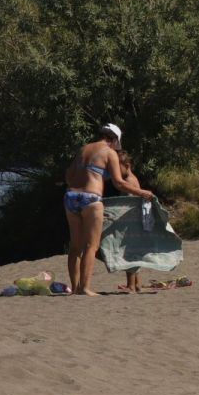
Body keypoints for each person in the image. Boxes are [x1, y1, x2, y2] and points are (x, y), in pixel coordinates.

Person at [64, 122, 152, 297]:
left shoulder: (83, 149)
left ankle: (74, 288)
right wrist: (142, 192)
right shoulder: (109, 152)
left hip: (70, 197)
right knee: (91, 245)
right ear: (115, 140)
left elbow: (68, 176)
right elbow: (119, 182)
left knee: (75, 246)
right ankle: (85, 288)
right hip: (91, 199)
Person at [116, 150, 146, 294]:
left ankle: (131, 286)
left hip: (131, 222)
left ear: (127, 165)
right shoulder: (133, 179)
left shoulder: (129, 181)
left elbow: (128, 205)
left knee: (128, 255)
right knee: (134, 253)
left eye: (118, 167)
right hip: (135, 221)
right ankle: (138, 284)